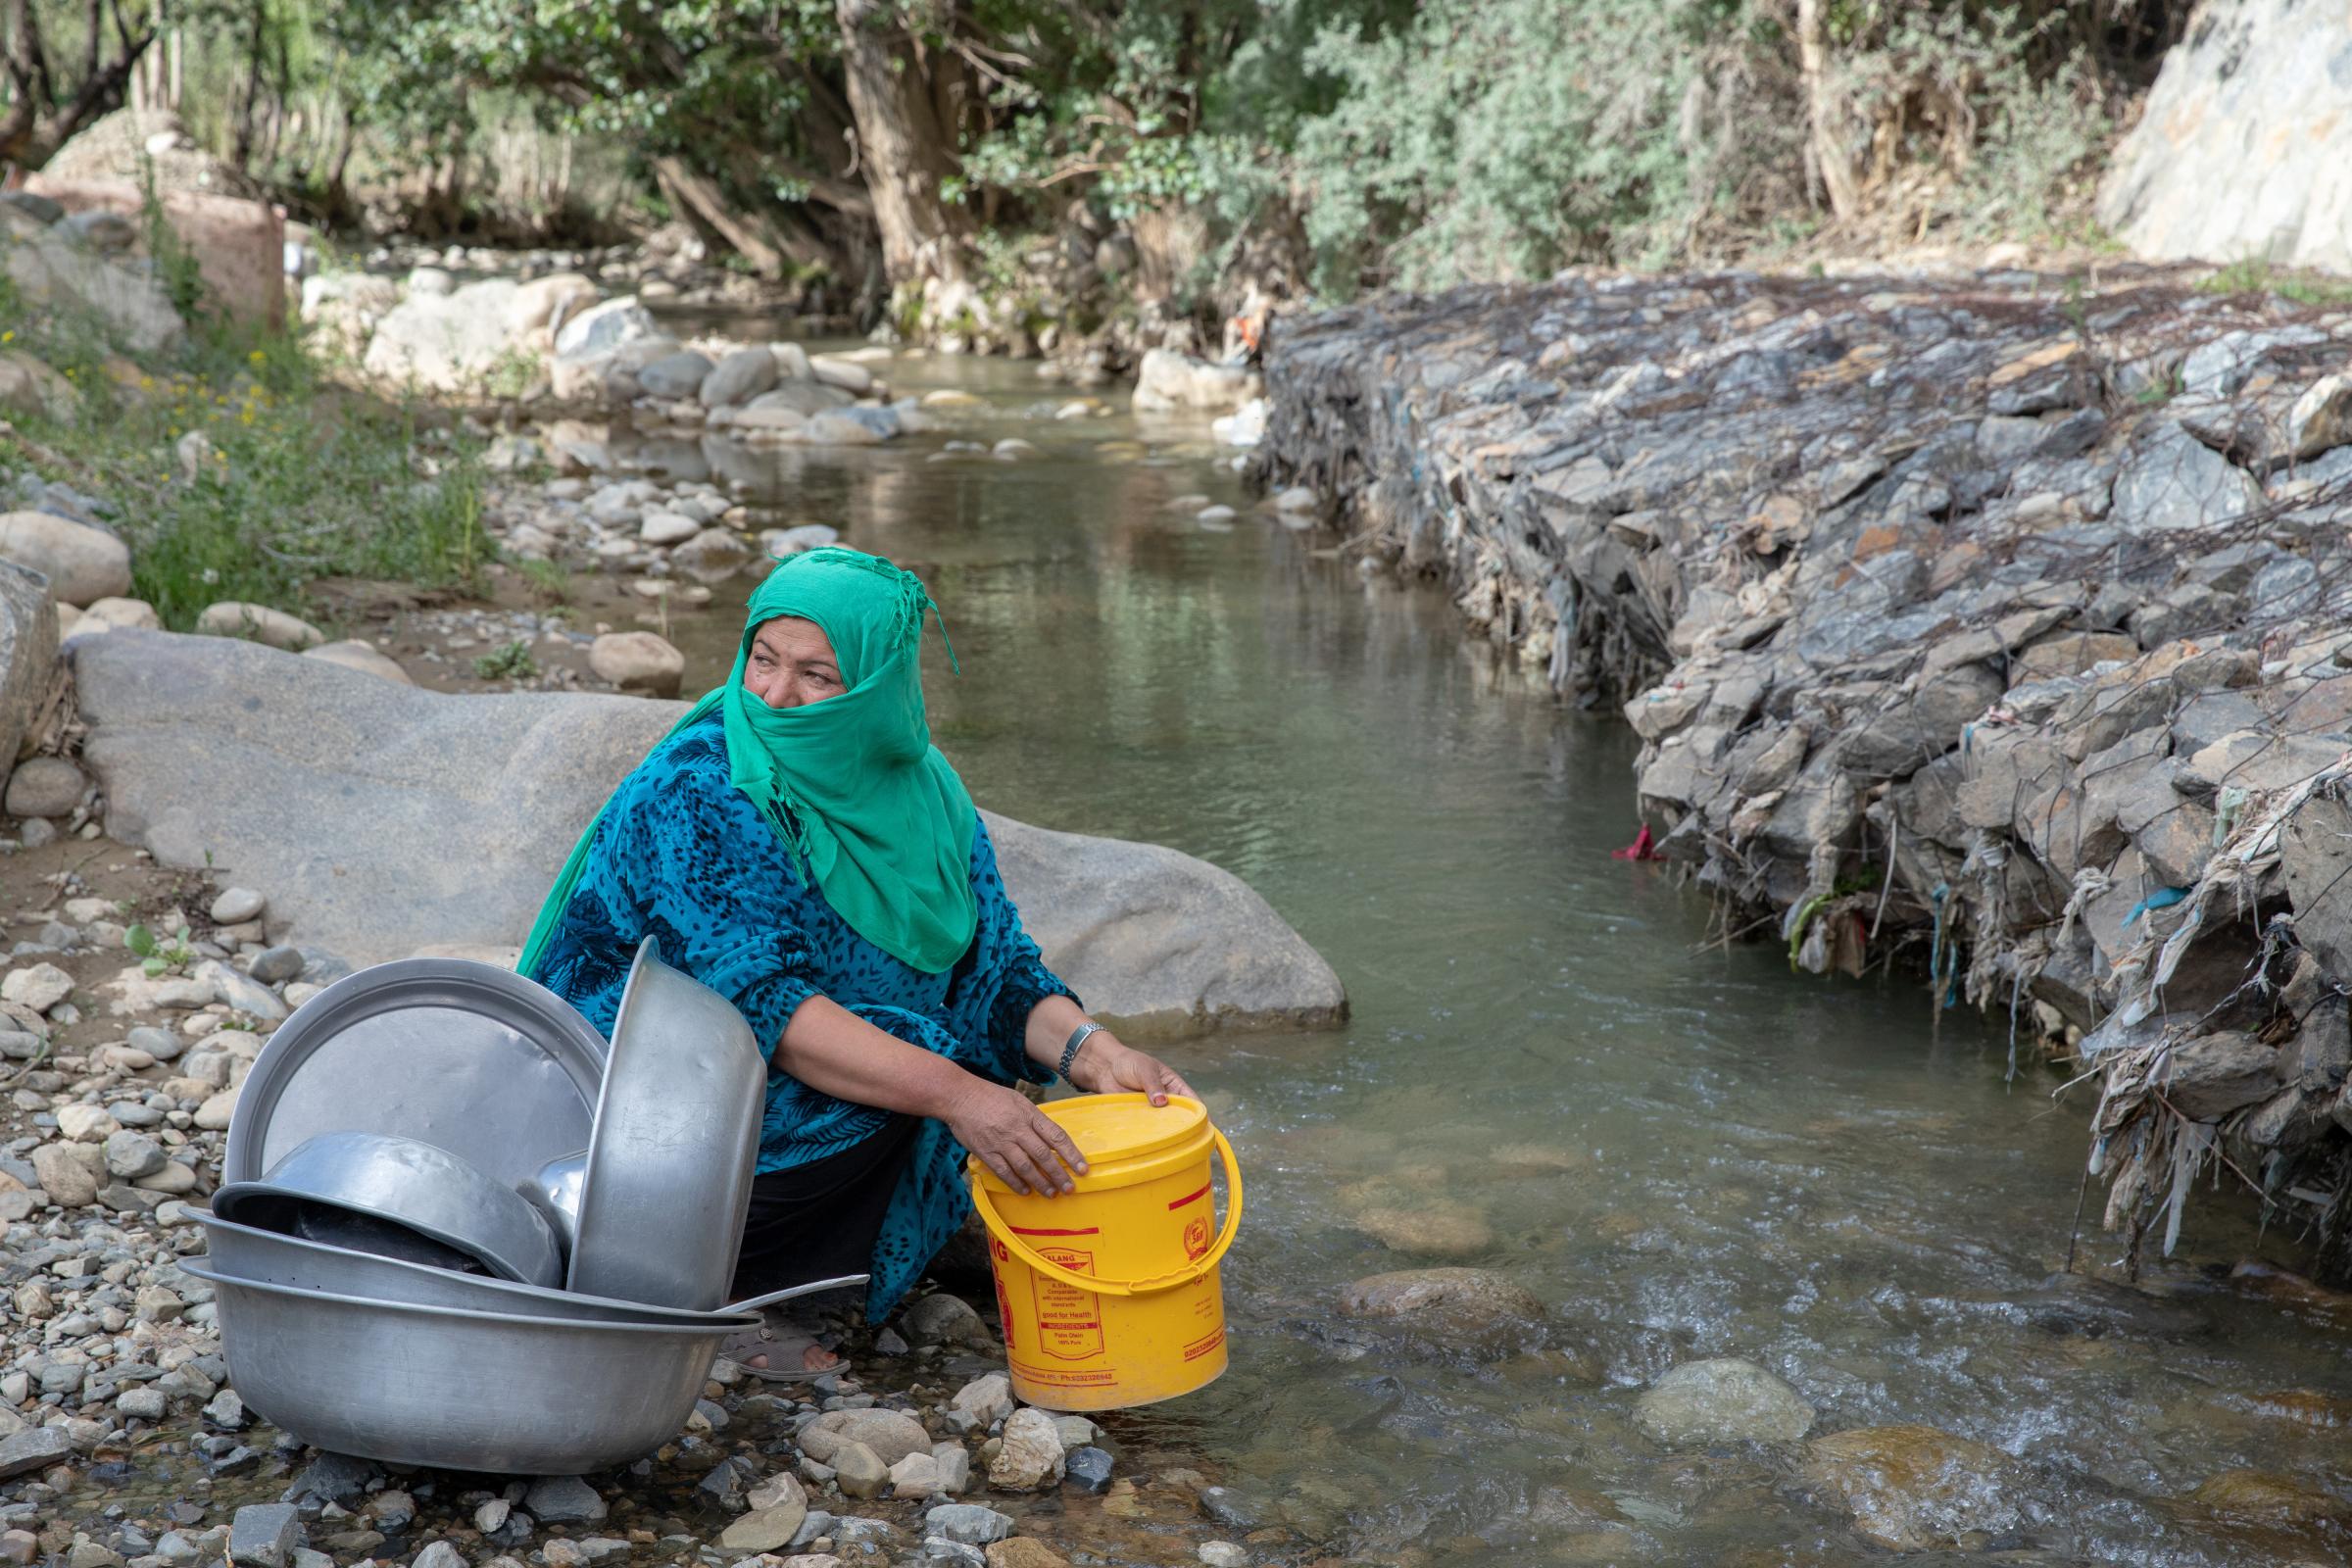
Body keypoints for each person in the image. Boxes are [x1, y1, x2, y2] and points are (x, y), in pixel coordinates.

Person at [519, 546, 1197, 1379]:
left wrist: (1098, 1054)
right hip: (637, 1107)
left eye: (817, 675)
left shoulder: (925, 791)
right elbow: (765, 1008)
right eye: (762, 660)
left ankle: (864, 1243)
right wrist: (959, 1097)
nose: (773, 695)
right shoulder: (703, 787)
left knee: (960, 1071)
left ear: (876, 688)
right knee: (937, 1072)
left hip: (776, 1078)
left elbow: (997, 971)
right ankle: (743, 1297)